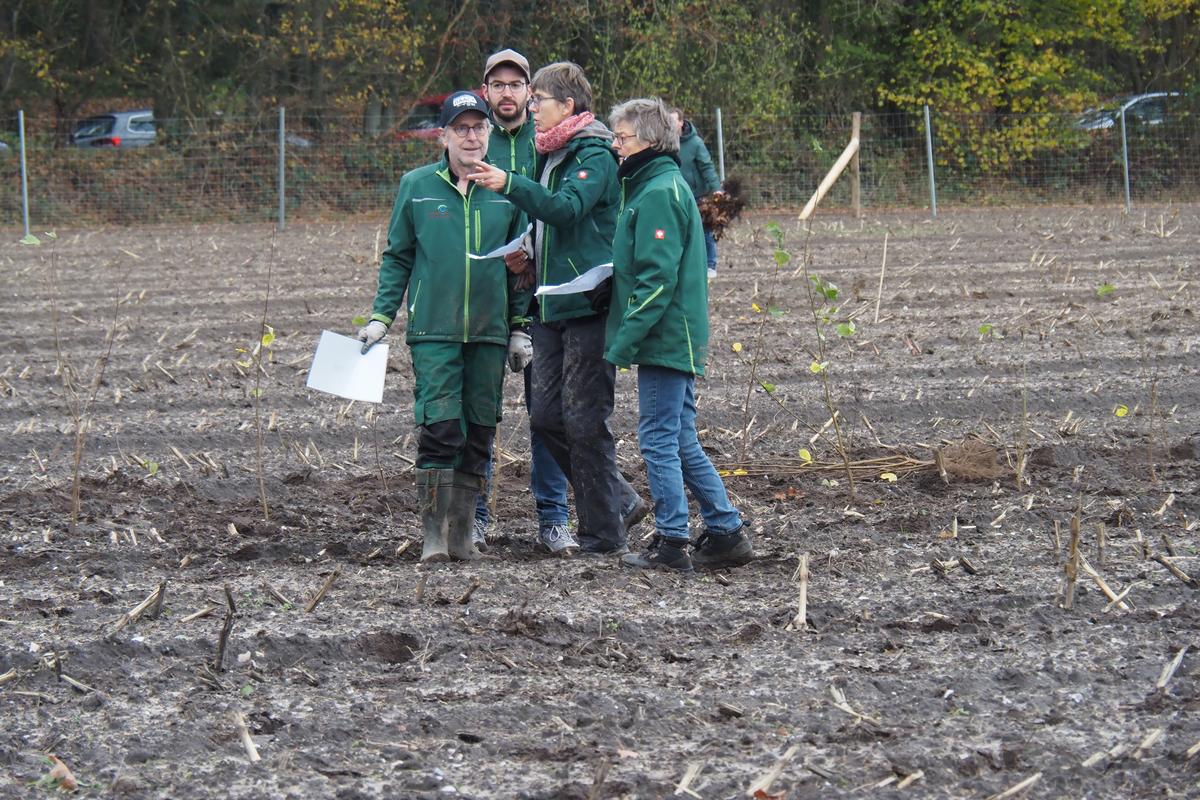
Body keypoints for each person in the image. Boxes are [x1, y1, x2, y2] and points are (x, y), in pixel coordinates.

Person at [468, 62, 646, 557]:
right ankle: (621, 499)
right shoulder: (552, 152)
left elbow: (567, 209)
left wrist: (509, 183)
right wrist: (528, 251)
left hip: (588, 303)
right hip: (549, 302)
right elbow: (551, 224)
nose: (531, 107)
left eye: (539, 99)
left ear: (567, 105)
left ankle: (603, 535)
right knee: (547, 417)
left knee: (585, 420)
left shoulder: (594, 152)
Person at [357, 90, 531, 563]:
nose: (471, 137)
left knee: (480, 431)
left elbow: (521, 266)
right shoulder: (416, 186)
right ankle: (433, 536)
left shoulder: (508, 190)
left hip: (489, 332)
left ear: (489, 133)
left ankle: (462, 536)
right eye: (461, 128)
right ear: (444, 136)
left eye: (479, 127)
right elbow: (398, 256)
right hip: (434, 331)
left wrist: (520, 327)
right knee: (440, 429)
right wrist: (380, 318)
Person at [606, 97, 752, 572]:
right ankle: (726, 531)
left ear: (650, 140)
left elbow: (656, 279)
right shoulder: (656, 186)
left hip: (665, 338)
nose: (615, 145)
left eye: (622, 138)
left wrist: (623, 343)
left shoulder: (657, 193)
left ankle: (672, 541)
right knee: (681, 438)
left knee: (657, 439)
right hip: (672, 336)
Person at [470, 48, 572, 553]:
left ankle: (553, 520)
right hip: (486, 299)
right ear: (485, 90)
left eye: (516, 84)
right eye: (498, 85)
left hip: (540, 301)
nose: (507, 93)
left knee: (547, 417)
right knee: (479, 417)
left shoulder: (547, 143)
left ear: (529, 91)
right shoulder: (472, 141)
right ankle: (475, 517)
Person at [670, 108, 722, 279]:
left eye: (673, 121)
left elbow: (707, 166)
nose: (670, 124)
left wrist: (716, 189)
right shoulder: (665, 143)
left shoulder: (696, 143)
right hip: (676, 194)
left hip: (698, 194)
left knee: (705, 230)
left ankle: (711, 265)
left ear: (681, 122)